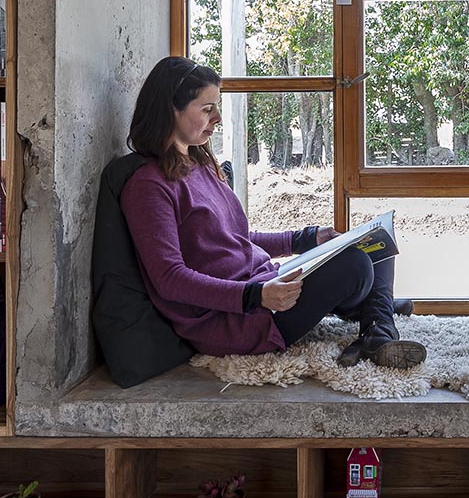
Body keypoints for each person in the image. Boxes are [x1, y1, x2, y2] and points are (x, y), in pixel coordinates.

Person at [119, 56, 426, 369]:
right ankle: (377, 312)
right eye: (207, 109)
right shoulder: (149, 187)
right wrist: (255, 296)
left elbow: (235, 239)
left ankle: (377, 325)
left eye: (217, 107)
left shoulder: (200, 164)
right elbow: (170, 279)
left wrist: (305, 239)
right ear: (172, 110)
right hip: (236, 317)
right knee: (356, 264)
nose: (219, 118)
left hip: (263, 285)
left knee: (376, 245)